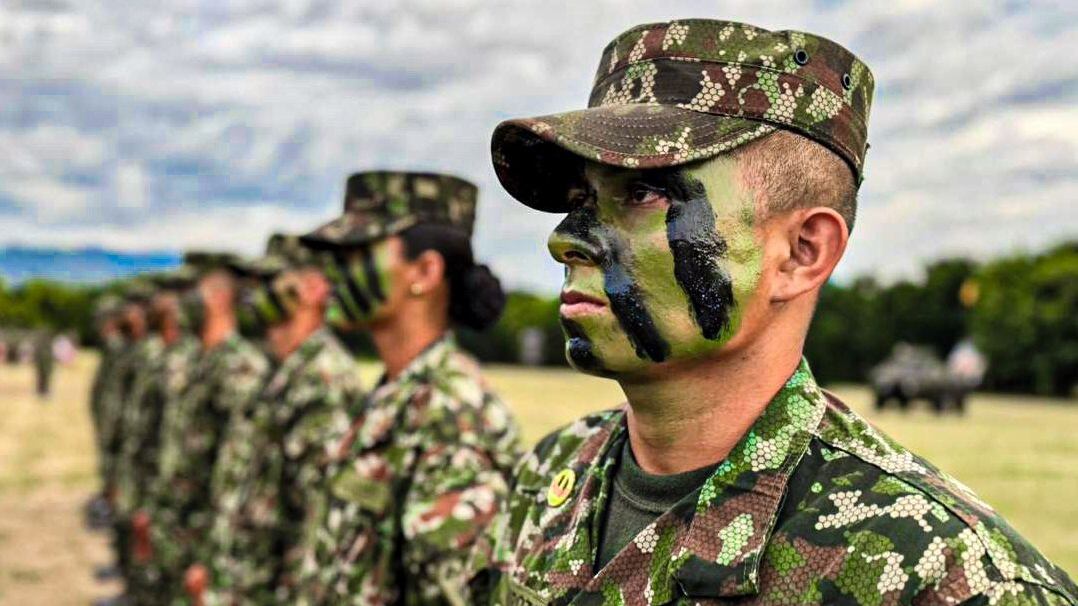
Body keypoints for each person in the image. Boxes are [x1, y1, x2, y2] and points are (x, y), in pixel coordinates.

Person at [472, 19, 1078, 605]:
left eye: (643, 192)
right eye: (582, 197)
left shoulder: (941, 576)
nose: (565, 238)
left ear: (800, 253)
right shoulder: (552, 475)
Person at [291, 171, 521, 604]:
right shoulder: (396, 395)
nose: (331, 274)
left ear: (425, 270)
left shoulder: (450, 416)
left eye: (355, 254)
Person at [185, 235, 364, 605]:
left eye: (275, 281)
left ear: (315, 289)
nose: (259, 294)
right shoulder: (279, 370)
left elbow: (317, 531)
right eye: (258, 284)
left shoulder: (322, 379)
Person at [146, 253, 270, 604]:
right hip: (181, 530)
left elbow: (236, 475)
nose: (181, 305)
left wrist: (210, 560)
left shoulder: (239, 367)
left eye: (192, 292)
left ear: (217, 297)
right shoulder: (203, 360)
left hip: (205, 541)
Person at [115, 269, 201, 604]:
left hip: (172, 492)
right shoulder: (161, 355)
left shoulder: (186, 359)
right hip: (152, 479)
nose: (154, 304)